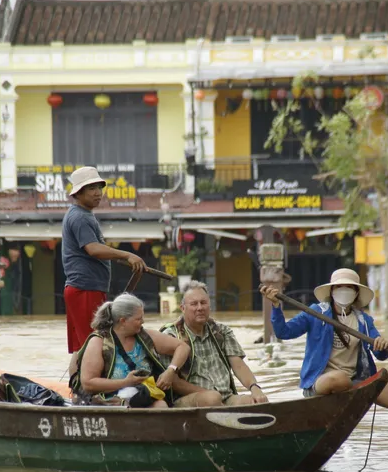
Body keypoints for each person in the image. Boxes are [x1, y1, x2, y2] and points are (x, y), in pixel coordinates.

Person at [260, 268, 388, 409]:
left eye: (349, 287)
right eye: (339, 287)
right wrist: (276, 306)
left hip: (354, 381)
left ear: (356, 293)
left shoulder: (364, 321)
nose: (344, 291)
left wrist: (382, 345)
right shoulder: (315, 313)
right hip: (322, 382)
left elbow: (380, 354)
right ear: (332, 291)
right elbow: (284, 332)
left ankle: (357, 390)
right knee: (339, 379)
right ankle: (357, 391)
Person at [62, 166, 146, 372]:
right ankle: (88, 390)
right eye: (91, 188)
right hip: (85, 288)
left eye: (99, 187)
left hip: (81, 288)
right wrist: (126, 254)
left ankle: (77, 390)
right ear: (78, 193)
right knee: (93, 344)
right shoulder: (81, 217)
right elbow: (93, 249)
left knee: (82, 346)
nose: (98, 193)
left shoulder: (81, 214)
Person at [161, 281, 269, 408]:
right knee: (212, 399)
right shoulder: (171, 336)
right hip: (189, 400)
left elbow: (238, 365)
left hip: (226, 397)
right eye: (194, 304)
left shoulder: (221, 331)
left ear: (209, 306)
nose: (200, 308)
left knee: (257, 401)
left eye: (203, 303)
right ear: (183, 308)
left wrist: (254, 387)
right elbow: (173, 382)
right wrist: (211, 396)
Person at [71, 293, 190, 408]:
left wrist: (171, 370)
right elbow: (88, 383)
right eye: (138, 319)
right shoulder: (98, 341)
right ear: (123, 321)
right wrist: (126, 382)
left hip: (144, 396)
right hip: (108, 401)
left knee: (161, 405)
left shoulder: (145, 336)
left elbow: (183, 347)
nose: (143, 321)